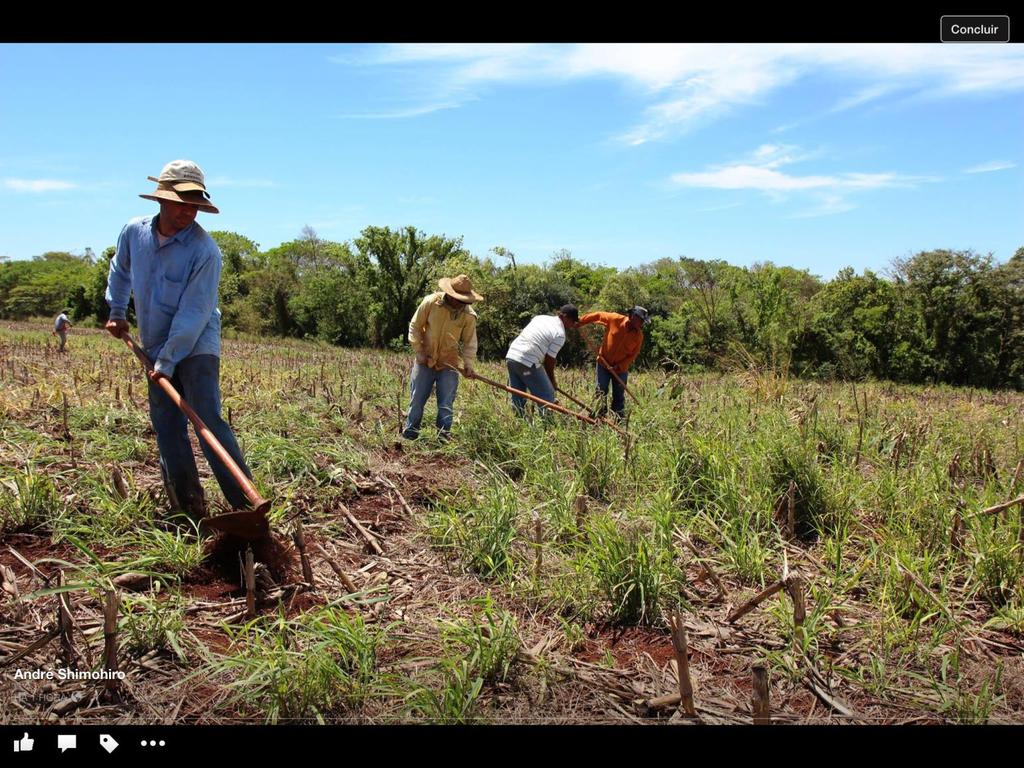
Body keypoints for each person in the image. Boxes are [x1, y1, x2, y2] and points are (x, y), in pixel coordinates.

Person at [104, 159, 255, 523]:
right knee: (167, 425)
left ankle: (246, 505)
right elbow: (119, 271)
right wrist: (117, 310)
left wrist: (167, 362)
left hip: (196, 343)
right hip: (154, 343)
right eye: (182, 203)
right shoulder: (133, 233)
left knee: (206, 420)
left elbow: (193, 313)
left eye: (195, 205)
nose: (189, 212)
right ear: (162, 201)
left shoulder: (205, 252)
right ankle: (187, 507)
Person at [403, 274, 481, 441]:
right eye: (459, 299)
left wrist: (468, 365)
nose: (462, 303)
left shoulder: (468, 315)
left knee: (446, 405)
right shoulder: (431, 302)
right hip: (425, 360)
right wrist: (419, 351)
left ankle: (443, 438)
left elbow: (470, 342)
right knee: (416, 400)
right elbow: (415, 326)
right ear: (450, 294)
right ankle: (410, 434)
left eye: (465, 300)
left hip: (449, 364)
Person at [505, 305, 579, 417]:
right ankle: (548, 428)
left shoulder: (540, 317)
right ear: (565, 317)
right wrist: (552, 381)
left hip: (512, 358)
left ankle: (518, 424)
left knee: (518, 394)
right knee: (547, 395)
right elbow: (549, 361)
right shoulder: (559, 334)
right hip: (526, 363)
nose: (573, 325)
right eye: (573, 321)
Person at [577, 306, 649, 418]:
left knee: (619, 395)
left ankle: (618, 419)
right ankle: (599, 416)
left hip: (620, 370)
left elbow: (633, 355)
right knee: (601, 390)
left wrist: (620, 366)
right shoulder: (615, 319)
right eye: (640, 320)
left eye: (642, 321)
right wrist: (581, 321)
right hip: (603, 363)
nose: (641, 323)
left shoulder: (638, 336)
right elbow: (598, 315)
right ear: (632, 316)